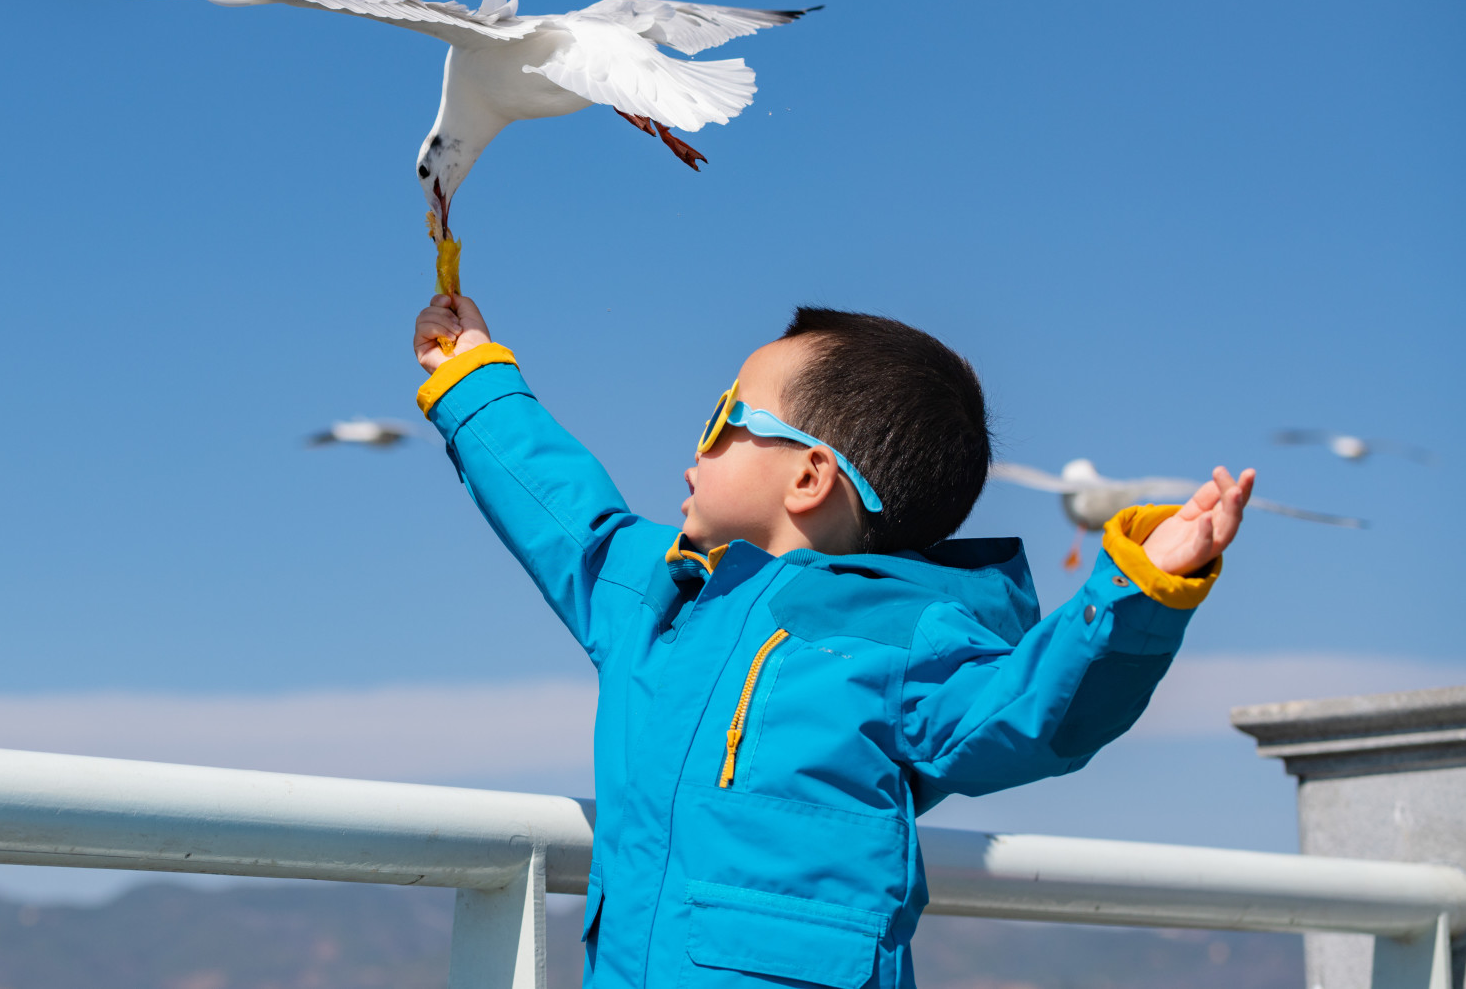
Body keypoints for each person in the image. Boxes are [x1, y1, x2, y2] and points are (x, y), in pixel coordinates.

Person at [412, 294, 1252, 989]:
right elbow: (566, 517)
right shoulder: (665, 597)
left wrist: (1138, 588)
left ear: (810, 476)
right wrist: (474, 378)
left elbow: (1031, 711)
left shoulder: (908, 638)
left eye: (721, 419)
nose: (696, 445)